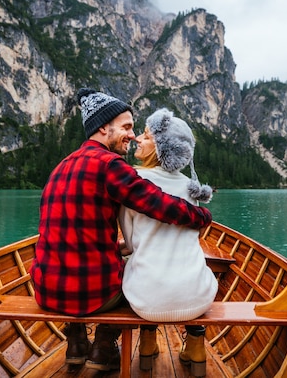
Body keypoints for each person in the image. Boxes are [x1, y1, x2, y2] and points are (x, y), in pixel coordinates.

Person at [29, 89, 212, 372]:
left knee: (93, 258)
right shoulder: (109, 164)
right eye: (126, 127)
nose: (132, 134)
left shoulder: (60, 167)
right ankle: (103, 348)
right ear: (104, 127)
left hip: (45, 291)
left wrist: (118, 247)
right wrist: (200, 216)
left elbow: (81, 235)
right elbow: (157, 203)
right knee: (133, 273)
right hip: (93, 296)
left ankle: (76, 343)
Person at [118, 108, 217, 377]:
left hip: (145, 302)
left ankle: (147, 344)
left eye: (147, 136)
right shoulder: (190, 188)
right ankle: (196, 346)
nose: (137, 138)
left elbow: (130, 241)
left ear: (163, 148)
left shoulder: (133, 185)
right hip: (198, 299)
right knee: (191, 264)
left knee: (135, 265)